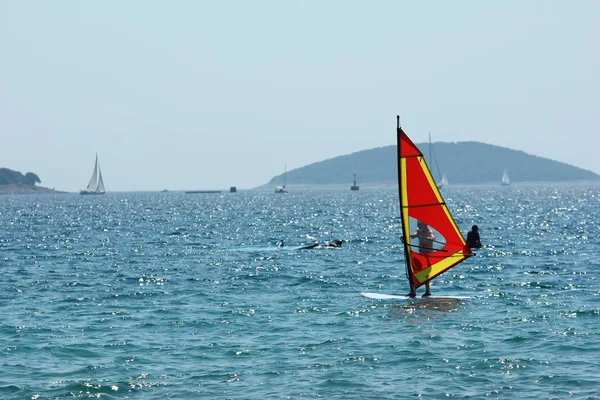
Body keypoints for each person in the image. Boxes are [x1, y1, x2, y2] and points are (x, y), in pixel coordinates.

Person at [409, 221, 434, 297]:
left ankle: (427, 291)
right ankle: (413, 291)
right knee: (414, 272)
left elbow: (432, 237)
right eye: (418, 225)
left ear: (425, 225)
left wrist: (429, 238)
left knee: (426, 274)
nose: (419, 226)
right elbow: (413, 235)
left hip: (427, 256)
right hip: (421, 255)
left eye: (420, 225)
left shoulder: (429, 231)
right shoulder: (419, 231)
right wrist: (408, 235)